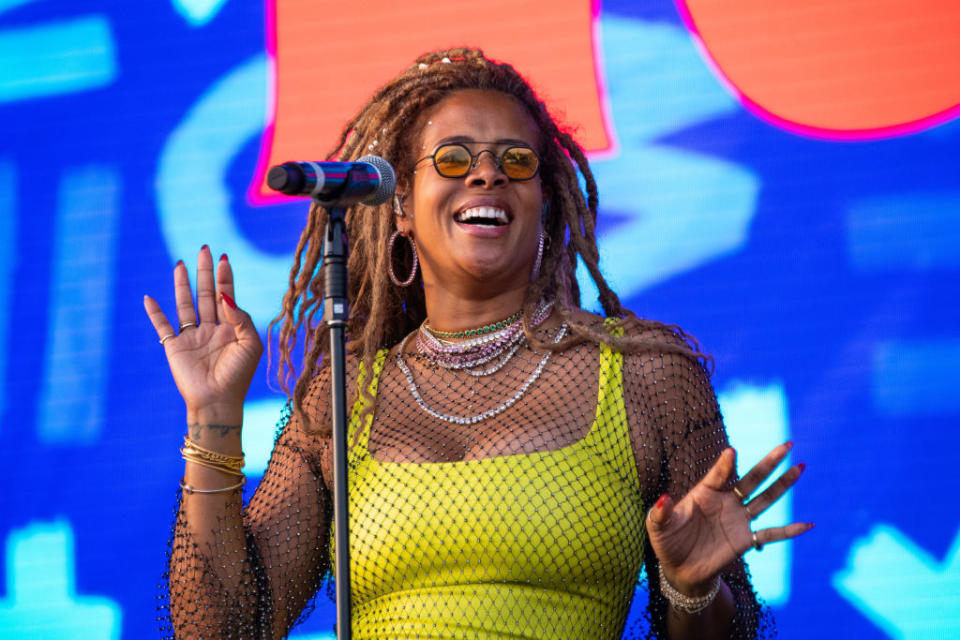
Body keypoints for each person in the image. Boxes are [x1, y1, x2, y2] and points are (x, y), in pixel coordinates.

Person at [144, 48, 812, 640]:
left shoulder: (643, 375)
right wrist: (213, 420)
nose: (487, 175)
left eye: (515, 162)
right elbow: (222, 631)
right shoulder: (345, 395)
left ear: (544, 206)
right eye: (455, 158)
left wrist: (692, 590)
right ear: (400, 205)